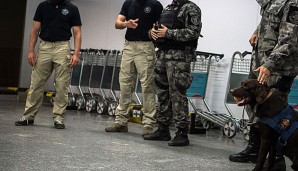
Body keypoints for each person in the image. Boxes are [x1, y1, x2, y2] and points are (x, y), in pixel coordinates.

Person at [229, 0, 298, 170]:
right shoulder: (271, 2)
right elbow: (270, 22)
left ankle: (278, 159)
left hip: (277, 66)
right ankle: (254, 149)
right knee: (254, 106)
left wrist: (270, 65)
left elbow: (289, 39)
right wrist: (256, 31)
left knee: (276, 115)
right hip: (260, 61)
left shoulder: (292, 3)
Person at [15, 0, 82, 129]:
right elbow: (35, 30)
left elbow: (77, 33)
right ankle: (28, 116)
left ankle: (58, 118)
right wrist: (30, 51)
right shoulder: (43, 6)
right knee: (36, 83)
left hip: (63, 47)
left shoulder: (72, 8)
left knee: (62, 85)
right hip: (45, 46)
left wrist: (76, 54)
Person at [143, 0, 202, 146]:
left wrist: (168, 33)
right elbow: (159, 27)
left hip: (179, 58)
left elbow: (193, 32)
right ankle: (162, 129)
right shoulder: (169, 8)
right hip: (162, 55)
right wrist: (152, 33)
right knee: (162, 94)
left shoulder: (191, 8)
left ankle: (182, 133)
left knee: (177, 93)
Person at [105, 0, 163, 136]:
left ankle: (148, 124)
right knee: (125, 84)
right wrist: (126, 24)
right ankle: (121, 122)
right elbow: (117, 23)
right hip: (129, 46)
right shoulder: (128, 3)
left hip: (146, 47)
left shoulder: (155, 5)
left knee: (147, 85)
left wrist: (154, 32)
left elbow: (161, 25)